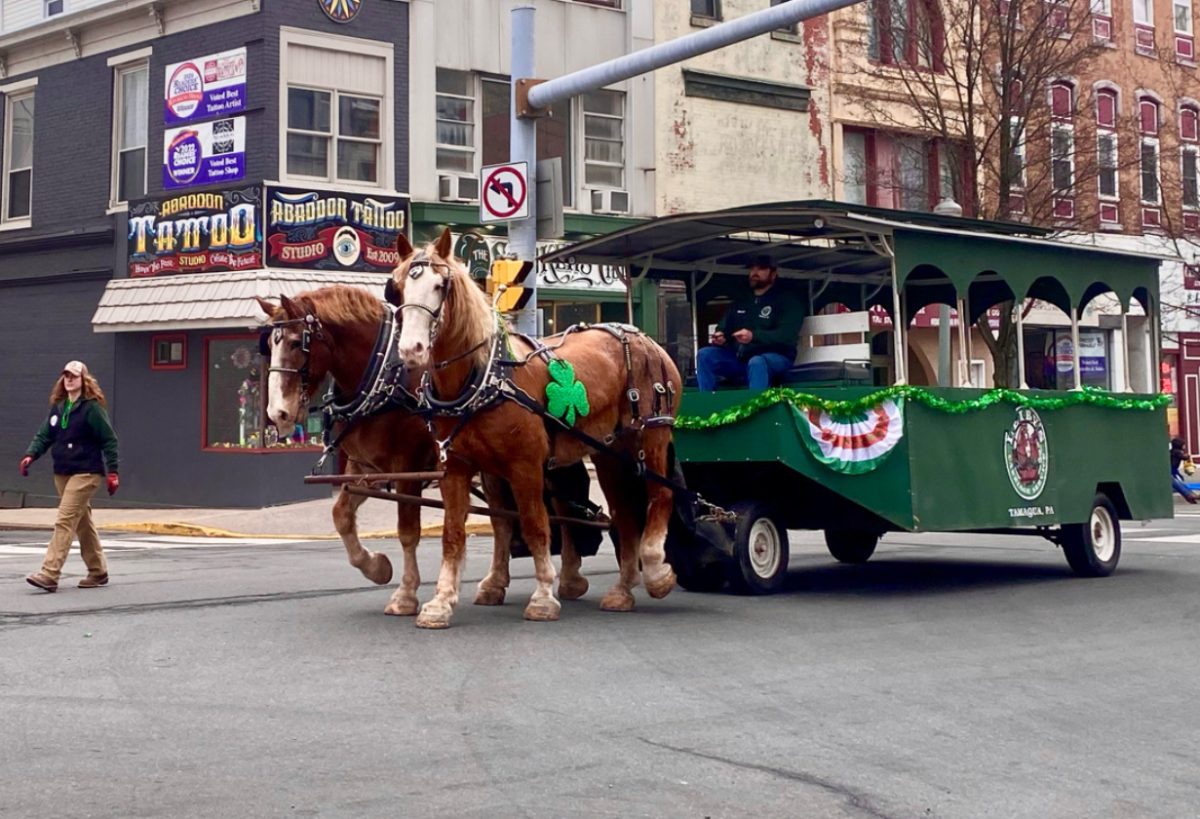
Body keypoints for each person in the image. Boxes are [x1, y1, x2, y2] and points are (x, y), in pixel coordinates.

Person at [19, 361, 120, 592]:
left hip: (86, 473)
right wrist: (30, 455)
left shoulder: (92, 408)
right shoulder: (59, 408)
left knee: (64, 520)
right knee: (83, 523)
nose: (69, 379)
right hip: (63, 472)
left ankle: (49, 573)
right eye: (66, 375)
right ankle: (98, 571)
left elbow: (109, 440)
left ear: (83, 380)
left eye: (74, 376)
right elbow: (44, 435)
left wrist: (113, 471)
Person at [696, 255, 804, 391]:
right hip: (740, 358)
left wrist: (753, 336)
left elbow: (786, 335)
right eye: (752, 269)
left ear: (773, 274)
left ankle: (756, 409)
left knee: (757, 362)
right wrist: (721, 336)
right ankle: (707, 405)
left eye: (761, 269)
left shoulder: (788, 301)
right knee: (705, 355)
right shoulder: (742, 300)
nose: (755, 273)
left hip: (776, 358)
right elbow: (724, 325)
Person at [1169, 437, 1197, 504]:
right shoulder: (1177, 452)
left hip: (1173, 469)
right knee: (1179, 481)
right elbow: (1184, 457)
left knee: (1180, 479)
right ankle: (1189, 494)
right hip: (1173, 470)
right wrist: (1187, 456)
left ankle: (1189, 494)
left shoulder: (1172, 451)